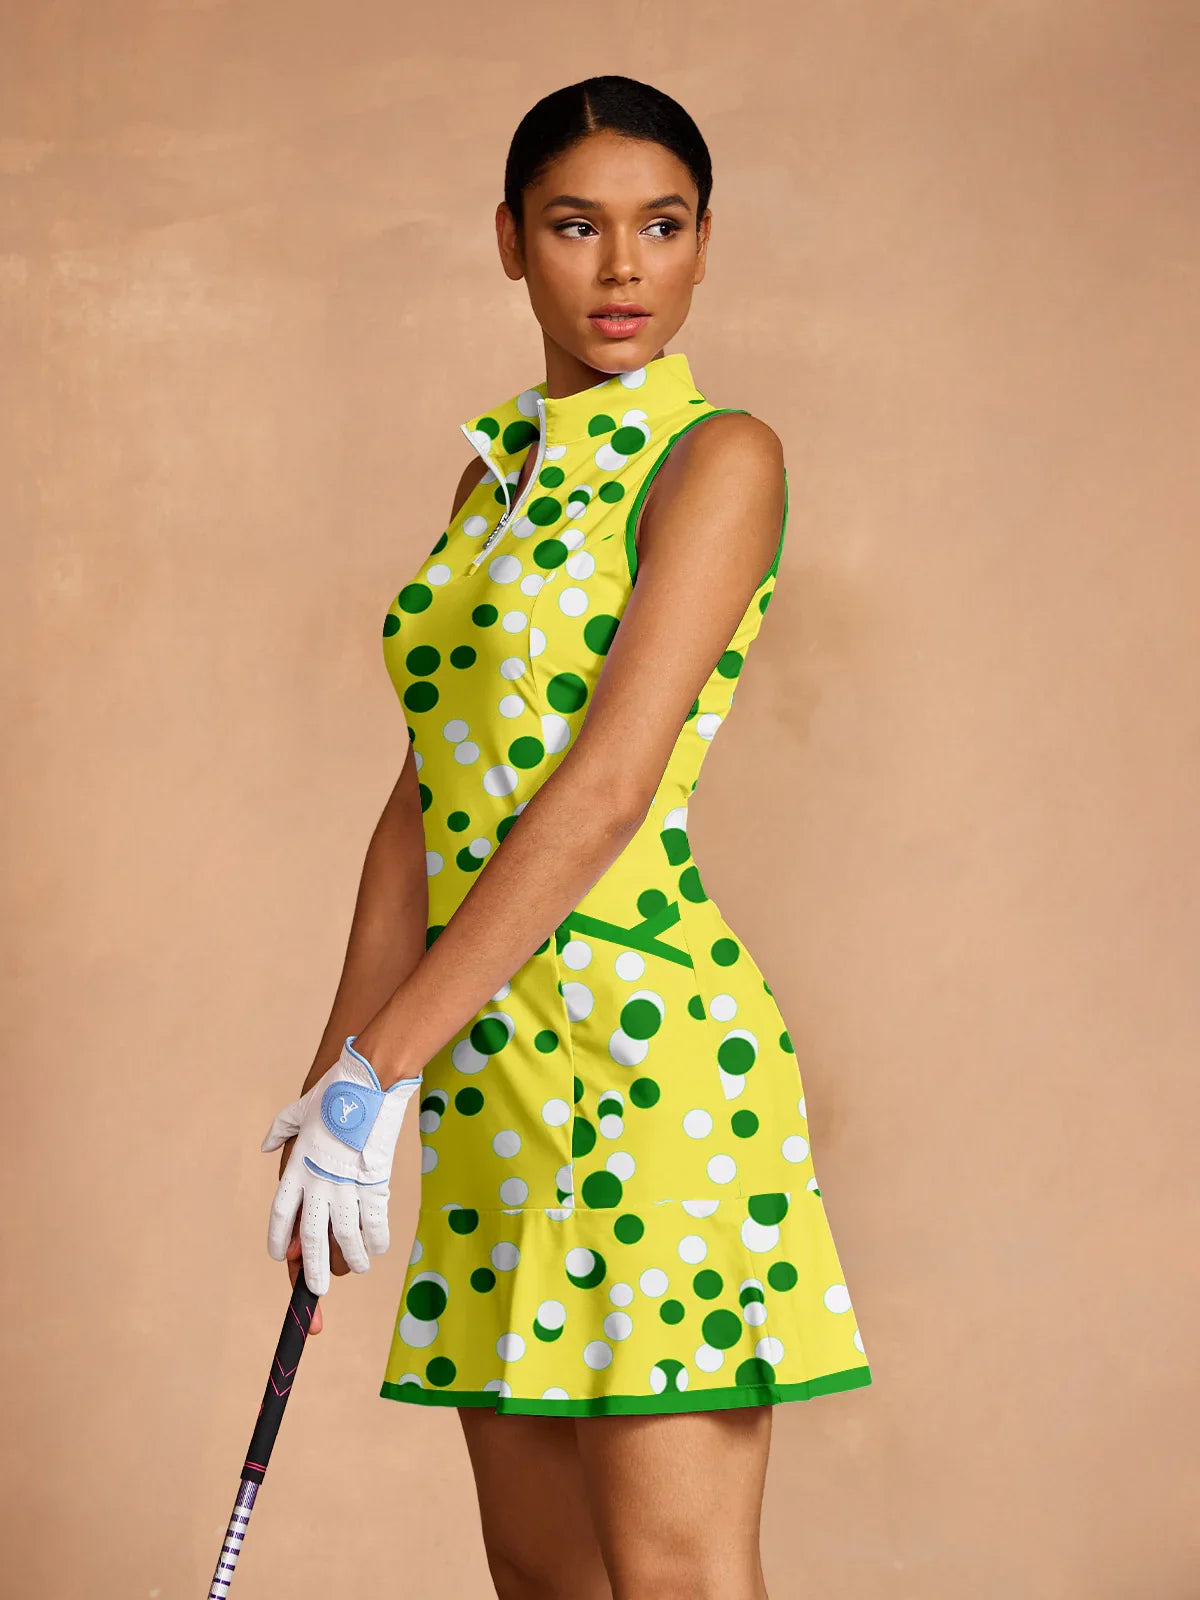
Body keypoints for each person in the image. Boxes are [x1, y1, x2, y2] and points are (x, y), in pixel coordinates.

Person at [261, 73, 872, 1600]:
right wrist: (337, 1089)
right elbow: (428, 795)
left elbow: (605, 789)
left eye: (661, 227)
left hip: (649, 1061)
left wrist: (384, 1062)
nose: (621, 269)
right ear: (509, 241)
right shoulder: (493, 477)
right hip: (482, 1065)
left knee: (675, 1579)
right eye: (575, 226)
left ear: (705, 243)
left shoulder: (720, 457)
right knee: (542, 1582)